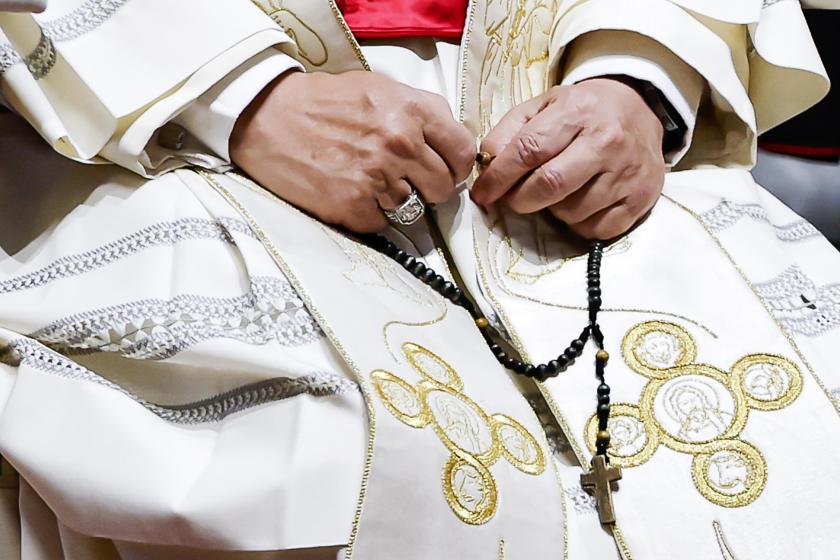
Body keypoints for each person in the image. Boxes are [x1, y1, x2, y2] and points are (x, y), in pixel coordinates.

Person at [0, 1, 838, 559]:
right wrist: (243, 99)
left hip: (564, 95)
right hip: (159, 115)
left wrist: (640, 79)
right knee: (303, 461)